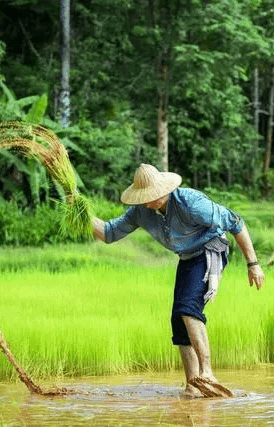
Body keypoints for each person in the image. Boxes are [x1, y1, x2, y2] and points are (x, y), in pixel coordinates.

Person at [91, 163, 265, 399]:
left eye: (149, 196)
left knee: (188, 308)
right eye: (142, 197)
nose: (145, 201)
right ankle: (193, 386)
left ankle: (207, 373)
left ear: (163, 191)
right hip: (187, 257)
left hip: (210, 248)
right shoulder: (141, 211)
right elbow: (108, 233)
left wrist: (253, 264)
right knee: (178, 321)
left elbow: (235, 221)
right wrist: (82, 214)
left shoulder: (191, 202)